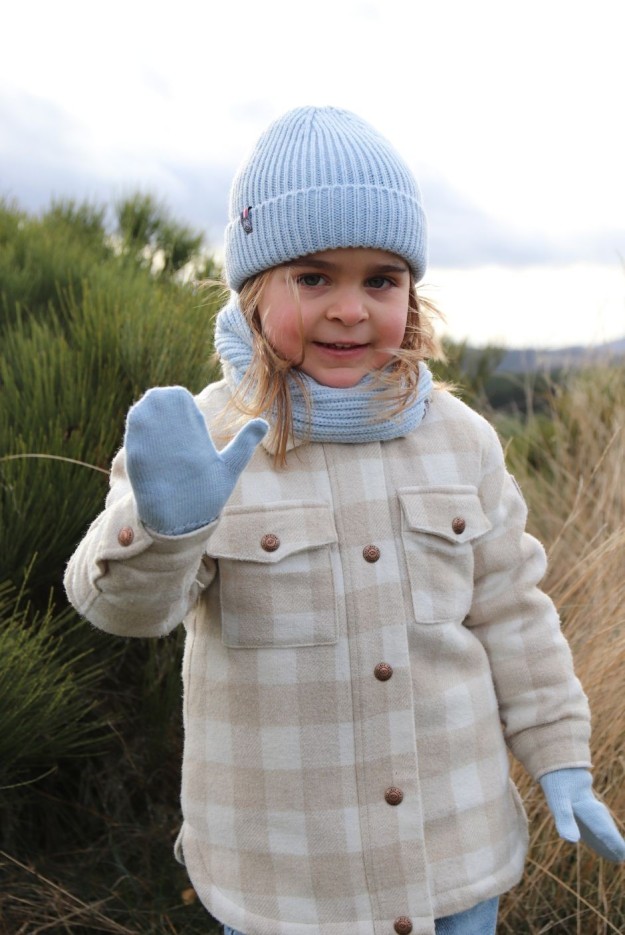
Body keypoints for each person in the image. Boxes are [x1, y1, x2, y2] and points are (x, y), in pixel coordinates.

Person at [64, 106, 625, 935]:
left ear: (411, 291)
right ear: (255, 289)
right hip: (287, 884)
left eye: (381, 279)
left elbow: (513, 612)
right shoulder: (202, 439)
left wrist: (561, 758)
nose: (350, 309)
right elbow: (122, 609)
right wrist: (163, 527)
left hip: (455, 861)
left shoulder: (463, 440)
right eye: (314, 277)